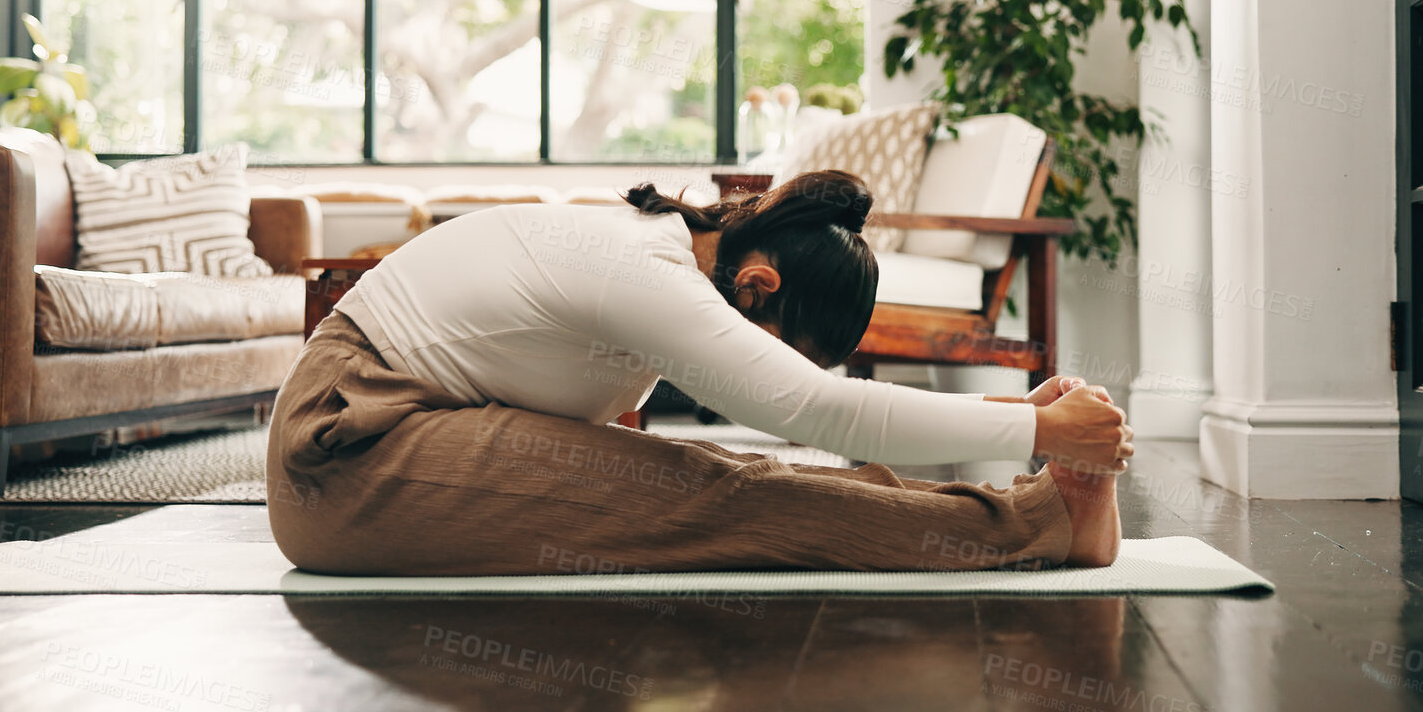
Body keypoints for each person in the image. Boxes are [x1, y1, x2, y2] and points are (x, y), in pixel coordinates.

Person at [265, 169, 1133, 575]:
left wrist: (1021, 413)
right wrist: (1035, 426)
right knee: (723, 495)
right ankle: (1037, 521)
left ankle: (1036, 513)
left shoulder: (659, 250)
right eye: (780, 341)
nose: (768, 365)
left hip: (386, 425)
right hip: (344, 452)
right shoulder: (645, 273)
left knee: (731, 476)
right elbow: (824, 410)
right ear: (759, 284)